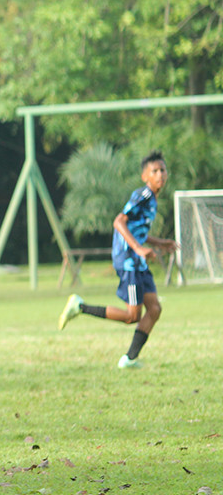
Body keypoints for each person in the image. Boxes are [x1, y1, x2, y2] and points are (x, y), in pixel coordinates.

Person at [58, 151, 178, 368]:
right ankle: (80, 306)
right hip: (129, 260)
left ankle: (129, 359)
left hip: (138, 261)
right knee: (132, 316)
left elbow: (137, 230)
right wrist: (138, 249)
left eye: (162, 170)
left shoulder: (152, 200)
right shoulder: (143, 195)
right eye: (155, 171)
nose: (160, 174)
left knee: (154, 309)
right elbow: (119, 222)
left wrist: (161, 243)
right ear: (145, 176)